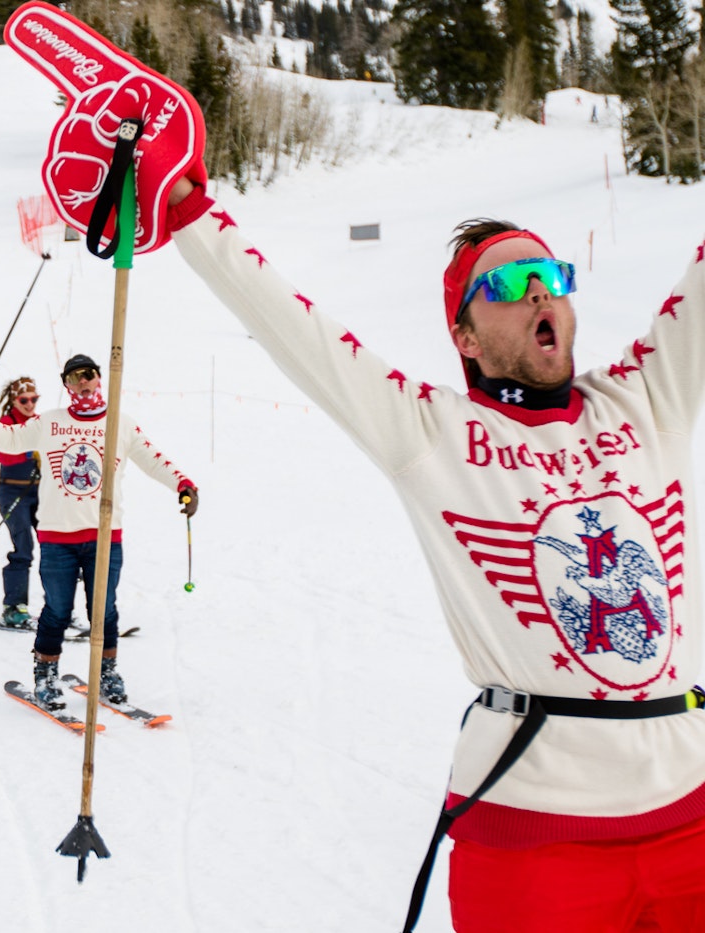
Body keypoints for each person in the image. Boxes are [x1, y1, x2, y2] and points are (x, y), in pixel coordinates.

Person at [159, 175, 705, 927]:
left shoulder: (649, 400)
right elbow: (297, 328)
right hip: (536, 838)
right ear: (465, 336)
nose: (539, 294)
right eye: (510, 284)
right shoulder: (434, 434)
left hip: (692, 815)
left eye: (552, 278)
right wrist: (189, 209)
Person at [0, 355, 198, 711]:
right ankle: (46, 677)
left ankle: (107, 673)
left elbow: (153, 459)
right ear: (66, 384)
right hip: (58, 538)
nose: (82, 383)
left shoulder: (121, 424)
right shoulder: (49, 423)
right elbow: (8, 441)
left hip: (105, 536)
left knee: (104, 610)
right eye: (74, 378)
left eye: (88, 376)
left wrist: (183, 485)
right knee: (57, 609)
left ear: (99, 379)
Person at [0, 376, 42, 628]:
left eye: (34, 399)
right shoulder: (6, 424)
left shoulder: (39, 423)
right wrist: (31, 451)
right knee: (24, 547)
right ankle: (13, 607)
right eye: (24, 400)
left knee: (58, 549)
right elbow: (4, 455)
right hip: (13, 493)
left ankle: (59, 605)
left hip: (41, 493)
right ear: (14, 400)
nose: (30, 404)